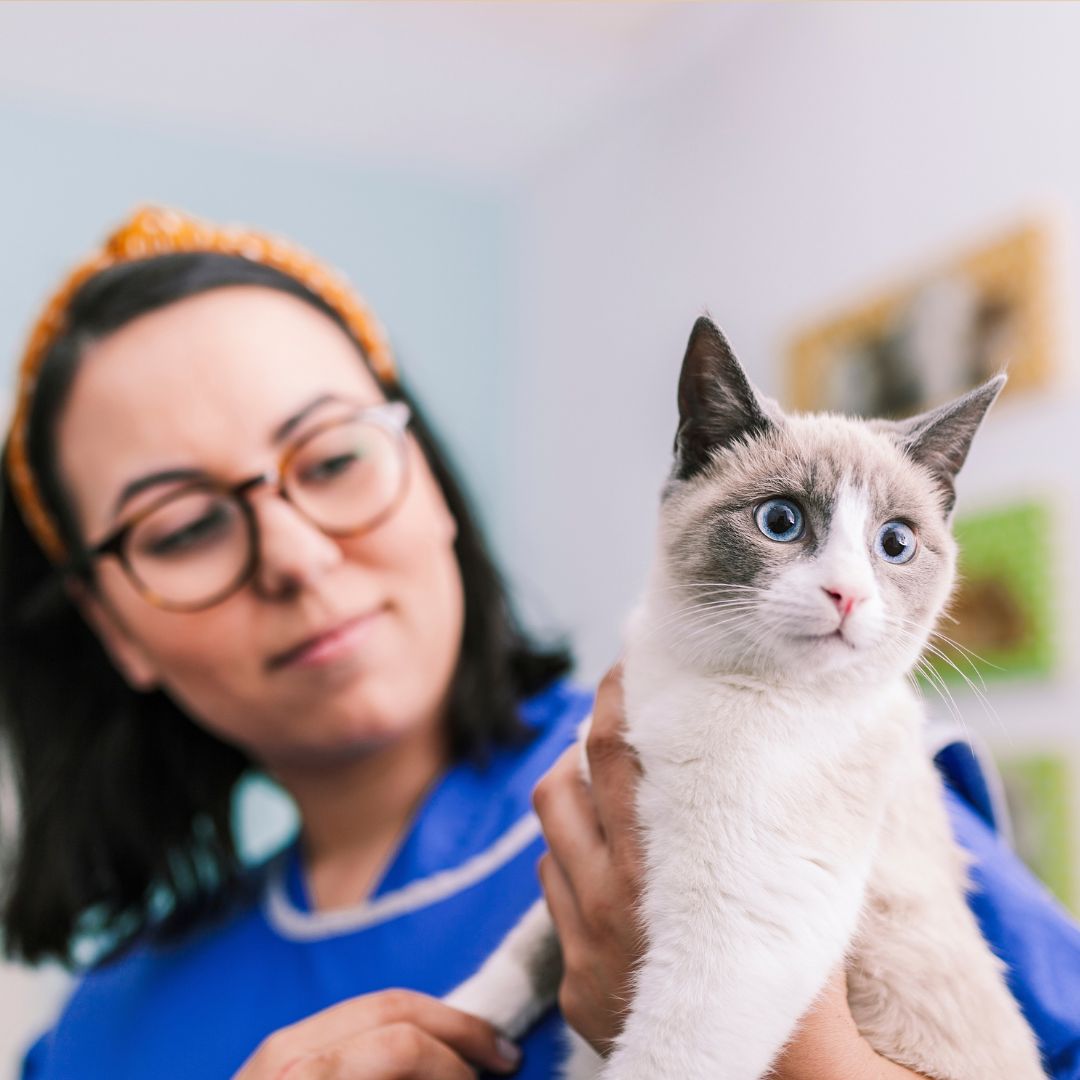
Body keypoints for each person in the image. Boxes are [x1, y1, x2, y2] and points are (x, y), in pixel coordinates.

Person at [0, 206, 1077, 1080]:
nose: (292, 554)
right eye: (181, 527)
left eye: (330, 460)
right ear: (112, 627)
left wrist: (811, 1061)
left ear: (430, 486)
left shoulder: (819, 741)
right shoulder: (96, 1033)